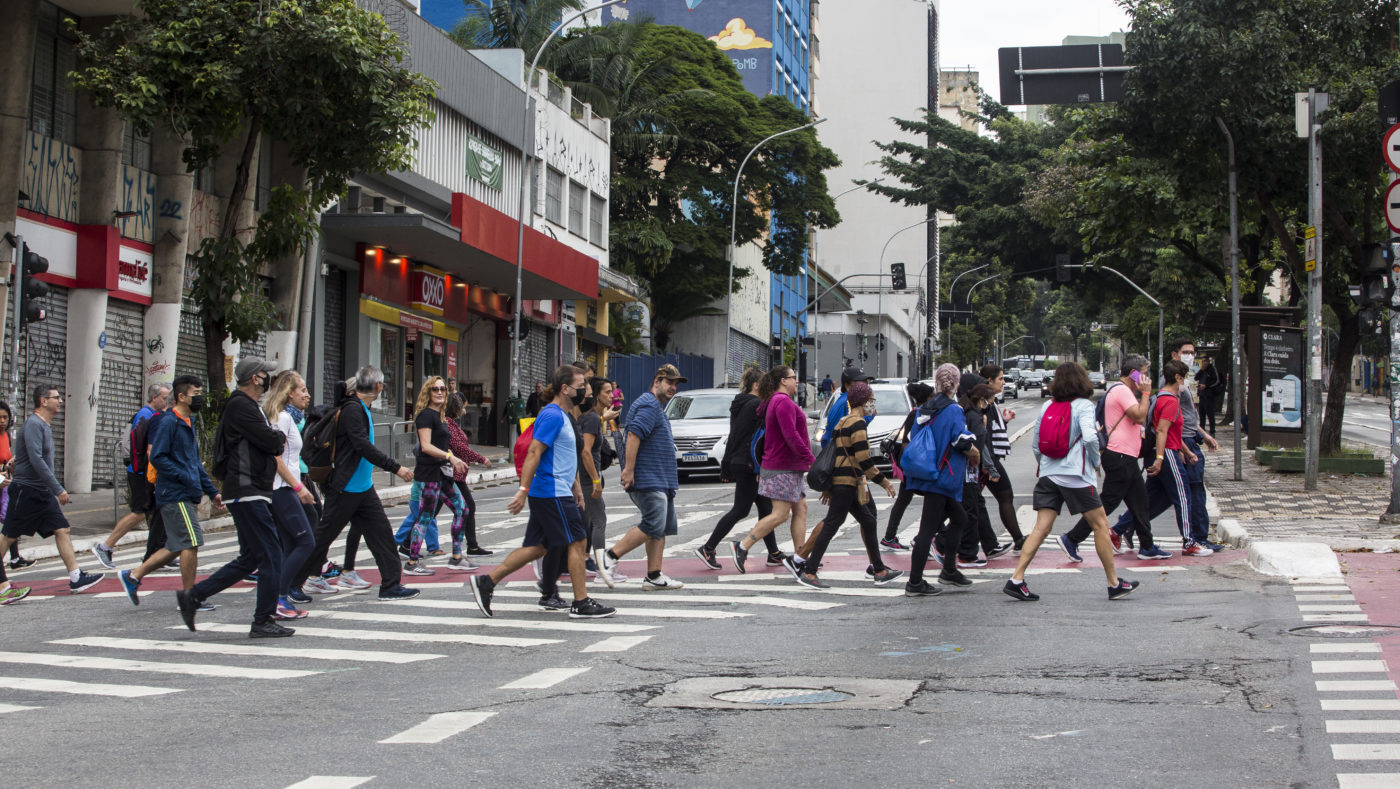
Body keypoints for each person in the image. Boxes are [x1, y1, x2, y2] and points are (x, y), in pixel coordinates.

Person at [469, 365, 614, 619]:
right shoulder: (552, 415)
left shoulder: (565, 416)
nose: (584, 390)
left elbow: (565, 458)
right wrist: (522, 490)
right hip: (551, 491)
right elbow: (535, 452)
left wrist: (577, 488)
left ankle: (487, 582)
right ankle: (581, 602)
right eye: (580, 386)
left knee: (538, 547)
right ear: (564, 388)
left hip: (557, 489)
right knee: (578, 541)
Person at [174, 359, 294, 636]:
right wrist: (275, 437)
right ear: (254, 378)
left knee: (252, 557)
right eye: (265, 374)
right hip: (246, 489)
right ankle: (263, 620)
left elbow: (270, 440)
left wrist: (273, 437)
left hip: (250, 490)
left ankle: (194, 595)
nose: (268, 379)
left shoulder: (248, 406)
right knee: (271, 554)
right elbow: (272, 442)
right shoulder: (241, 405)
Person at [1004, 362, 1140, 602]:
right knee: (1100, 525)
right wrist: (1096, 462)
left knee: (1041, 528)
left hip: (1048, 474)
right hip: (1075, 476)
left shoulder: (1047, 405)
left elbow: (1037, 444)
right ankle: (1114, 583)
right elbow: (1089, 438)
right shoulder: (1084, 406)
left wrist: (1046, 465)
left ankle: (1016, 578)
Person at [290, 366, 421, 602]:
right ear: (378, 386)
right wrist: (396, 467)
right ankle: (291, 584)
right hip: (345, 488)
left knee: (381, 535)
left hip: (362, 488)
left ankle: (391, 585)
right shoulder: (352, 410)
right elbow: (362, 446)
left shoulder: (361, 408)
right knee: (321, 539)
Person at [119, 375, 221, 605]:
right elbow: (157, 456)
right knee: (191, 542)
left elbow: (194, 462)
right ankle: (189, 596)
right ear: (181, 397)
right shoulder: (168, 422)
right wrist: (184, 477)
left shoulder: (187, 422)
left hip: (184, 491)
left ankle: (133, 576)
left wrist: (212, 491)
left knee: (177, 546)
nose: (200, 398)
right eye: (196, 394)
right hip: (175, 494)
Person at [790, 381, 902, 589]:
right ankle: (809, 571)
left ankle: (879, 570)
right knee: (832, 524)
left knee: (866, 521)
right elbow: (863, 459)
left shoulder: (843, 421)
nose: (872, 403)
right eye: (870, 399)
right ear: (863, 401)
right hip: (848, 483)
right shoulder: (857, 423)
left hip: (843, 482)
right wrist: (884, 482)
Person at [1114, 340, 1221, 552]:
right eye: (1186, 352)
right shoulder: (1171, 386)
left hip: (1180, 443)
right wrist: (1169, 454)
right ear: (1175, 355)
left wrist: (1202, 435)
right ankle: (1194, 540)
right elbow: (1164, 426)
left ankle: (1122, 528)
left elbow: (1182, 418)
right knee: (1189, 494)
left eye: (1193, 352)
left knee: (1160, 496)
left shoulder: (1179, 382)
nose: (1191, 356)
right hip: (1174, 444)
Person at [0, 385, 104, 597]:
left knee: (62, 529)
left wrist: (17, 460)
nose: (60, 401)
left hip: (41, 493)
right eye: (56, 397)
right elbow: (36, 459)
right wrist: (57, 488)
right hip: (27, 491)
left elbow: (29, 454)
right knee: (8, 537)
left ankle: (76, 577)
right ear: (43, 401)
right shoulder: (33, 424)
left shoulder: (43, 425)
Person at [596, 364, 686, 590]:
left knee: (661, 527)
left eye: (675, 384)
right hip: (649, 477)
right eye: (669, 383)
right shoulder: (648, 404)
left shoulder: (655, 406)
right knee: (653, 523)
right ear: (657, 381)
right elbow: (634, 434)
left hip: (660, 478)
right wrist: (629, 470)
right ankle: (609, 557)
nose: (673, 387)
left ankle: (654, 576)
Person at [728, 365, 813, 573]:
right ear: (783, 381)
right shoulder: (782, 402)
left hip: (787, 466)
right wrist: (811, 459)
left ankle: (799, 557)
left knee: (800, 508)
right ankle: (743, 545)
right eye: (793, 377)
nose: (796, 381)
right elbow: (790, 435)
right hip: (782, 466)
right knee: (781, 514)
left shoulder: (776, 401)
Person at [696, 368, 783, 570]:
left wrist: (727, 465)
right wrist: (755, 466)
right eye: (765, 385)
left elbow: (734, 435)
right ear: (755, 386)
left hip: (743, 461)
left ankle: (774, 553)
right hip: (749, 463)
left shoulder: (741, 403)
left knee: (766, 510)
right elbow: (750, 439)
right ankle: (707, 548)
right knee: (741, 510)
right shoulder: (754, 405)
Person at [902, 365, 977, 596]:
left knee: (959, 517)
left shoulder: (925, 409)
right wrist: (973, 449)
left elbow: (913, 436)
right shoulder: (954, 410)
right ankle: (915, 582)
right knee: (928, 529)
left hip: (927, 472)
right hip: (944, 475)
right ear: (956, 384)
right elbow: (960, 441)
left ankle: (950, 569)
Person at [91, 383, 170, 569]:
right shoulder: (145, 416)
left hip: (143, 472)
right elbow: (143, 449)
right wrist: (151, 473)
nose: (166, 402)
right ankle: (105, 546)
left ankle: (158, 553)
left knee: (157, 512)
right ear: (154, 397)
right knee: (139, 513)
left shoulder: (152, 416)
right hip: (140, 472)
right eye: (164, 398)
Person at [262, 371, 319, 619]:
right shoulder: (282, 419)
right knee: (306, 542)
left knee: (289, 546)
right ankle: (279, 598)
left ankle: (277, 599)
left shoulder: (290, 419)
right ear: (289, 393)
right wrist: (299, 487)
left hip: (287, 488)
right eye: (302, 390)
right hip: (281, 489)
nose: (307, 394)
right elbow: (276, 458)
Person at [404, 376, 472, 575]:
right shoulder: (425, 415)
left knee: (462, 509)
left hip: (442, 474)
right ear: (428, 392)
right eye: (435, 389)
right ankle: (412, 563)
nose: (440, 392)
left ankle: (457, 557)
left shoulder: (440, 416)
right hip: (428, 475)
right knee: (425, 517)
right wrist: (450, 457)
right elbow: (425, 446)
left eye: (443, 389)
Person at [953, 379, 1012, 567]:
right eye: (991, 399)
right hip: (968, 470)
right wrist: (986, 466)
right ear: (983, 400)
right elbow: (980, 446)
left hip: (967, 470)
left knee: (973, 506)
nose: (993, 403)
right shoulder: (974, 416)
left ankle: (987, 546)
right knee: (967, 510)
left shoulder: (968, 412)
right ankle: (945, 545)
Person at [580, 377, 626, 577]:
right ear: (597, 395)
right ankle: (602, 569)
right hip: (588, 479)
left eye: (612, 392)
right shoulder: (591, 418)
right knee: (599, 521)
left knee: (589, 521)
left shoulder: (593, 418)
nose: (611, 396)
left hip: (587, 478)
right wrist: (596, 480)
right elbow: (586, 452)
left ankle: (586, 560)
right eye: (607, 392)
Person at [880, 382, 933, 551]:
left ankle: (890, 536)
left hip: (913, 465)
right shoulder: (918, 414)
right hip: (916, 466)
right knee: (934, 500)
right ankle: (925, 537)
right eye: (933, 396)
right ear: (928, 398)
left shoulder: (917, 413)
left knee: (904, 500)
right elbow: (906, 442)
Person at [978, 365, 1026, 551]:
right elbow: (983, 434)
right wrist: (989, 465)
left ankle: (1015, 539)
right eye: (1001, 379)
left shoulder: (991, 403)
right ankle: (1018, 539)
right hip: (988, 459)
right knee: (1004, 496)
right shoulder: (985, 404)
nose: (1004, 382)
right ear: (989, 381)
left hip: (988, 458)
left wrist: (1003, 421)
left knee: (971, 503)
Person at [443, 392, 493, 557]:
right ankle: (469, 547)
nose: (465, 408)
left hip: (456, 476)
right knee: (465, 508)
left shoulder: (452, 424)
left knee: (431, 512)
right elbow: (460, 448)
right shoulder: (448, 425)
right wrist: (481, 458)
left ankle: (472, 546)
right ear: (456, 407)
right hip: (451, 476)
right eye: (463, 405)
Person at [0, 400, 31, 602]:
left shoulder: (6, 436)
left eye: (5, 417)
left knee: (11, 522)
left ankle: (4, 587)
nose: (2, 421)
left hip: (3, 489)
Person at [1196, 355, 1224, 437]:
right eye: (1202, 361)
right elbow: (1196, 378)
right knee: (1201, 414)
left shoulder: (1212, 369)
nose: (1203, 363)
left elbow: (1217, 381)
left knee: (1210, 414)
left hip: (1209, 395)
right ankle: (1202, 431)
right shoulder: (1202, 371)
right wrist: (1201, 370)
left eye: (1205, 361)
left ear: (1208, 361)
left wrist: (1206, 385)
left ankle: (1212, 431)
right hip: (1202, 395)